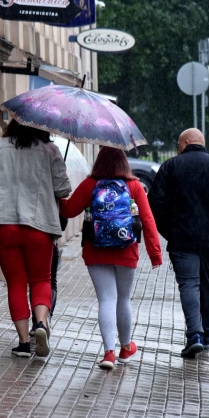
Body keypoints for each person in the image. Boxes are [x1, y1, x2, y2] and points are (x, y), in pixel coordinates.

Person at [59, 146, 162, 370]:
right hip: (127, 249)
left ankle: (109, 353)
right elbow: (148, 220)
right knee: (123, 299)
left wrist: (57, 195)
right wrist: (155, 254)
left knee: (106, 299)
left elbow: (68, 211)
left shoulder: (90, 184)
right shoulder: (134, 185)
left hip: (96, 250)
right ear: (123, 161)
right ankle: (126, 348)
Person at [0, 120, 71, 358]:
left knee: (16, 283)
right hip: (39, 227)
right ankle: (40, 324)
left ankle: (22, 344)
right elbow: (63, 190)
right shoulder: (50, 150)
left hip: (3, 224)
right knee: (41, 279)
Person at [148, 128, 209, 359]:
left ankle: (195, 336)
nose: (178, 149)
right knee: (207, 283)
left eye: (179, 144)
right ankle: (208, 333)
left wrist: (169, 231)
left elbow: (155, 204)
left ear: (187, 142)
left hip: (181, 240)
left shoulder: (170, 167)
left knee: (189, 284)